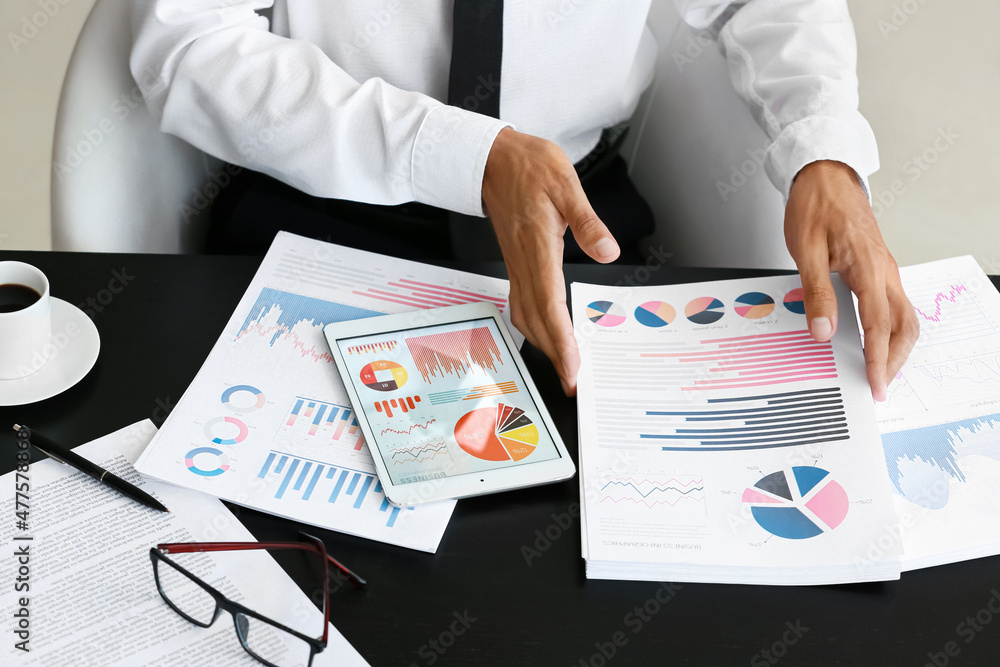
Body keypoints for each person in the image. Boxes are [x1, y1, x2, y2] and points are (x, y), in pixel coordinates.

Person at [131, 0, 919, 400]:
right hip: (325, 210)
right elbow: (186, 40)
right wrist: (463, 156)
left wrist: (824, 149)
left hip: (586, 222)